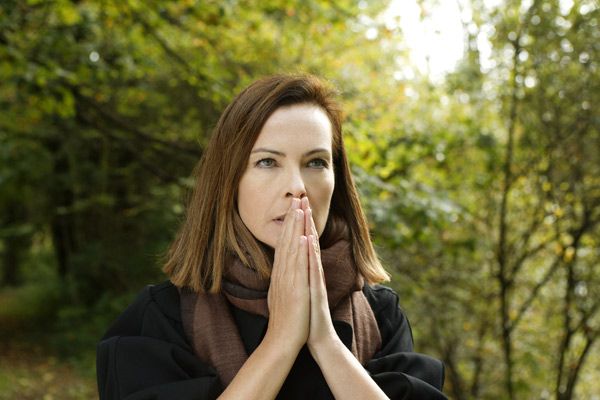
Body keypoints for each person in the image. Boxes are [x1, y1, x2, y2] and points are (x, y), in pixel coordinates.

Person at [96, 74, 447, 399]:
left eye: (316, 162)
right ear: (229, 180)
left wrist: (325, 342)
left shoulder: (380, 314)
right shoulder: (163, 317)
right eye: (267, 162)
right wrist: (280, 342)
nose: (297, 187)